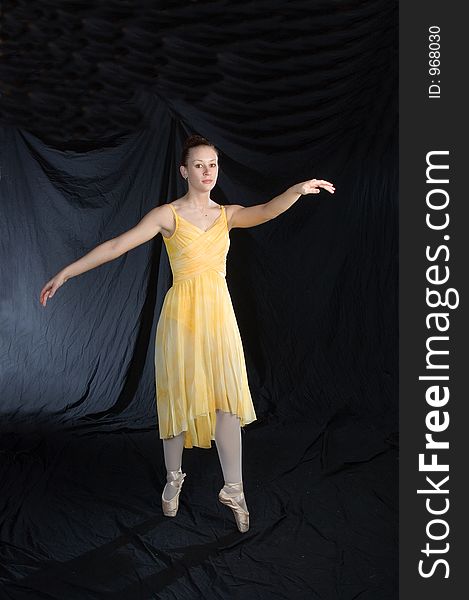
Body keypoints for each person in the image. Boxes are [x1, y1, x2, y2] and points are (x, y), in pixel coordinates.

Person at [39, 134, 335, 533]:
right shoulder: (167, 215)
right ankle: (174, 477)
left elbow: (266, 211)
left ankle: (234, 488)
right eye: (199, 165)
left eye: (212, 164)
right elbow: (116, 245)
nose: (207, 171)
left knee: (226, 400)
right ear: (184, 171)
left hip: (219, 316)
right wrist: (66, 272)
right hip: (182, 317)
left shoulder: (227, 214)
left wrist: (297, 190)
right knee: (179, 399)